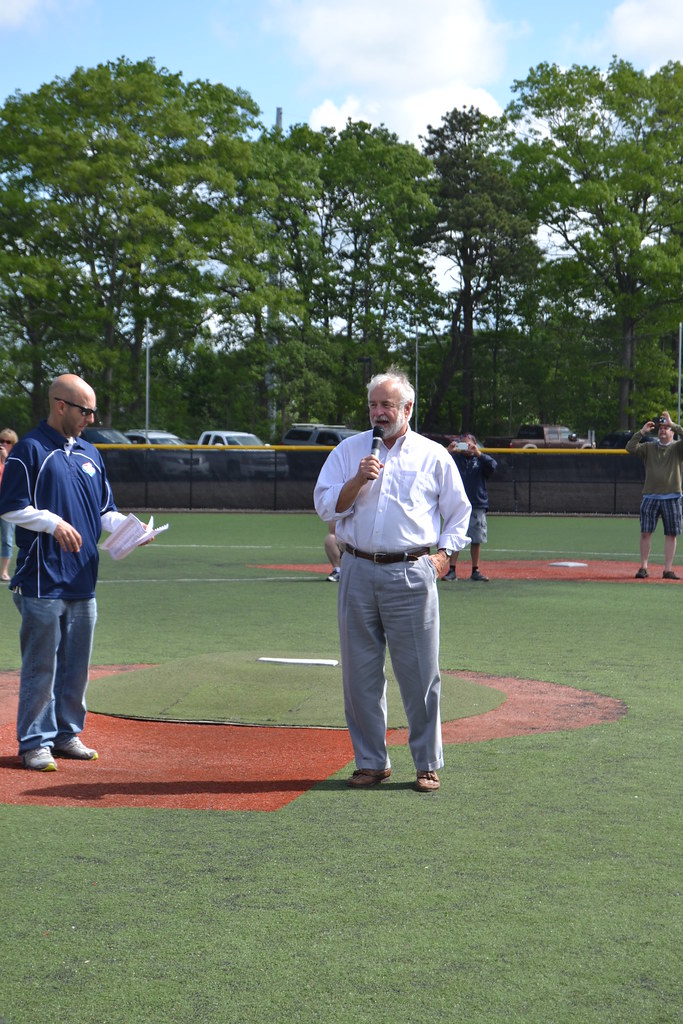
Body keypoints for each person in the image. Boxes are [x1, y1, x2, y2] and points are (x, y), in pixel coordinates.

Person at [314, 367, 471, 792]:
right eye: (373, 405)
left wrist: (442, 558)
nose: (378, 412)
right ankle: (371, 761)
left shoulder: (433, 455)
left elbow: (459, 511)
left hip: (411, 572)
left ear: (407, 408)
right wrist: (357, 480)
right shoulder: (348, 452)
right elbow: (326, 507)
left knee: (419, 674)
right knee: (360, 674)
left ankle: (426, 762)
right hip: (358, 569)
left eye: (386, 405)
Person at [0, 374, 130, 771]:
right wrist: (52, 523)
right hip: (41, 581)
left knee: (76, 666)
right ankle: (34, 742)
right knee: (43, 666)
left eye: (92, 410)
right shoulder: (29, 450)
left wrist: (132, 529)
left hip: (82, 580)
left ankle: (66, 734)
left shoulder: (91, 453)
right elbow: (10, 507)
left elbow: (105, 511)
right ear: (60, 405)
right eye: (84, 410)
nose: (90, 417)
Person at [626, 412, 683, 580]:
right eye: (661, 428)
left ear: (672, 432)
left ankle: (667, 570)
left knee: (671, 534)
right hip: (650, 496)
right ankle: (643, 567)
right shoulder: (649, 447)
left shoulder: (677, 448)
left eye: (666, 428)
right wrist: (642, 432)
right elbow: (630, 448)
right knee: (645, 532)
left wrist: (674, 424)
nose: (663, 430)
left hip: (672, 496)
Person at [444, 433, 497, 581]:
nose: (466, 448)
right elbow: (437, 463)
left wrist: (478, 453)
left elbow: (493, 466)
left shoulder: (479, 461)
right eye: (463, 444)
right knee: (455, 537)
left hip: (477, 503)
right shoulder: (454, 459)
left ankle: (475, 570)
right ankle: (452, 571)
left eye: (469, 444)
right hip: (458, 504)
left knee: (476, 539)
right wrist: (449, 451)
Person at [0, 428, 19, 581]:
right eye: (2, 441)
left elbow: (14, 480)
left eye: (8, 442)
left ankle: (4, 571)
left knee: (7, 538)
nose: (4, 444)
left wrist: (5, 461)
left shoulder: (15, 459)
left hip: (6, 504)